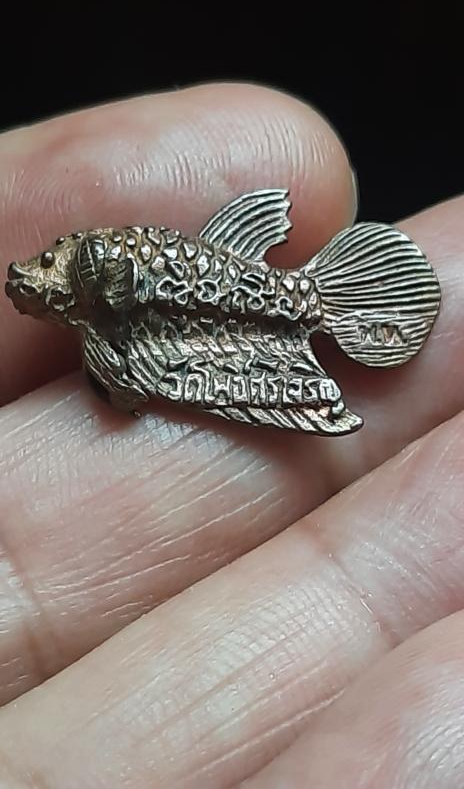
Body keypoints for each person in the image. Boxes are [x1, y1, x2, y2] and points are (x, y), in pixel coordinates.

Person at [0, 82, 460, 788]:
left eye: (46, 273)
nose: (33, 281)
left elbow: (123, 375)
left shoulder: (102, 283)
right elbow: (122, 374)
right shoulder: (95, 289)